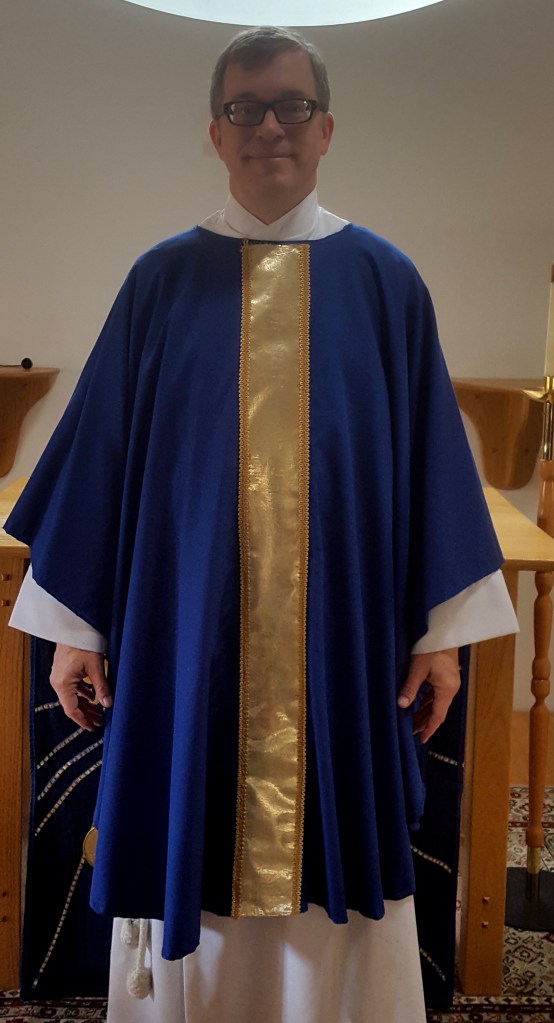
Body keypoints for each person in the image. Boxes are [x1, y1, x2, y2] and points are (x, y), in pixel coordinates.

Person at [6, 25, 518, 1023]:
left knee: (337, 872)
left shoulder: (385, 283)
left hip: (345, 654)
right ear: (216, 132)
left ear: (326, 128)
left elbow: (432, 474)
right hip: (184, 648)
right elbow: (99, 460)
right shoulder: (161, 282)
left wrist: (439, 639)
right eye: (246, 108)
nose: (270, 127)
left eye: (291, 106)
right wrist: (74, 630)